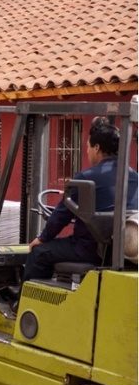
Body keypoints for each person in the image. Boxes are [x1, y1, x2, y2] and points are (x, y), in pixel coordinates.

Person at [23, 116, 138, 281]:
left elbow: (60, 217)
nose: (87, 151)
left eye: (88, 146)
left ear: (97, 148)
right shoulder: (134, 176)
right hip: (120, 252)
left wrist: (41, 238)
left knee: (39, 253)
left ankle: (22, 303)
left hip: (89, 249)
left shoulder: (85, 178)